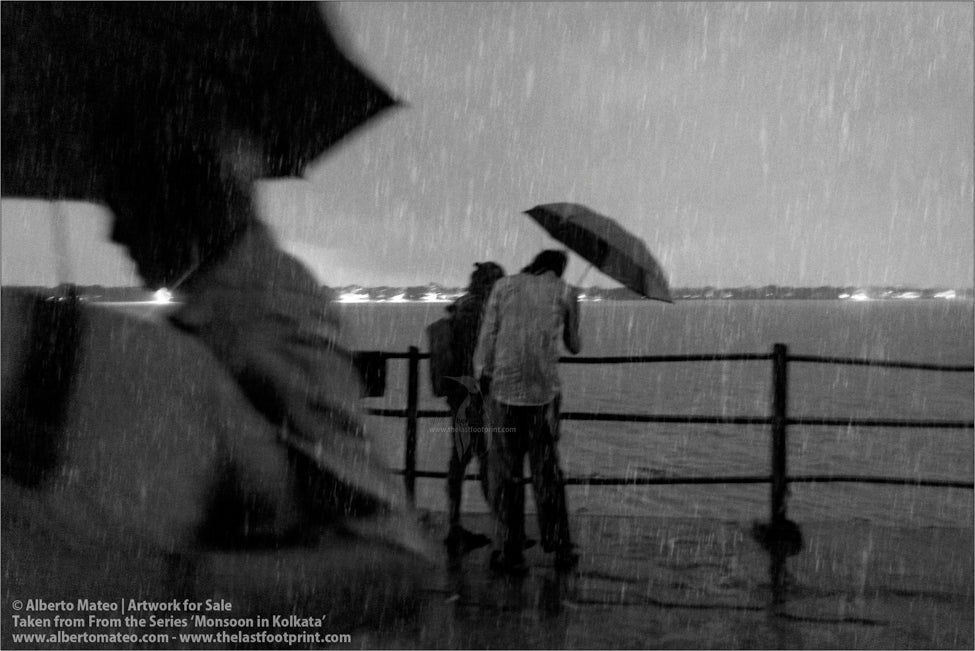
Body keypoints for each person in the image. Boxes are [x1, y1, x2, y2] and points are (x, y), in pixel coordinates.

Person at [99, 95, 432, 559]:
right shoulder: (232, 303)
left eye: (124, 200)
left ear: (185, 197)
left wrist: (176, 590)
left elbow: (384, 550)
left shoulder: (259, 316)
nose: (111, 233)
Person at [474, 249, 581, 574]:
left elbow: (488, 336)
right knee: (547, 474)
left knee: (505, 475)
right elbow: (575, 345)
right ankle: (560, 547)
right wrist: (569, 319)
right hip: (542, 398)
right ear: (559, 270)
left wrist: (483, 373)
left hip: (503, 394)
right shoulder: (566, 292)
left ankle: (510, 549)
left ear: (534, 264)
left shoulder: (504, 286)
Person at [440, 262, 505, 555]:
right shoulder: (485, 311)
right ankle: (500, 529)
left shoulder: (461, 307)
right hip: (478, 394)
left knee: (460, 460)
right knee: (483, 460)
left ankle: (455, 523)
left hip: (458, 393)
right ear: (491, 283)